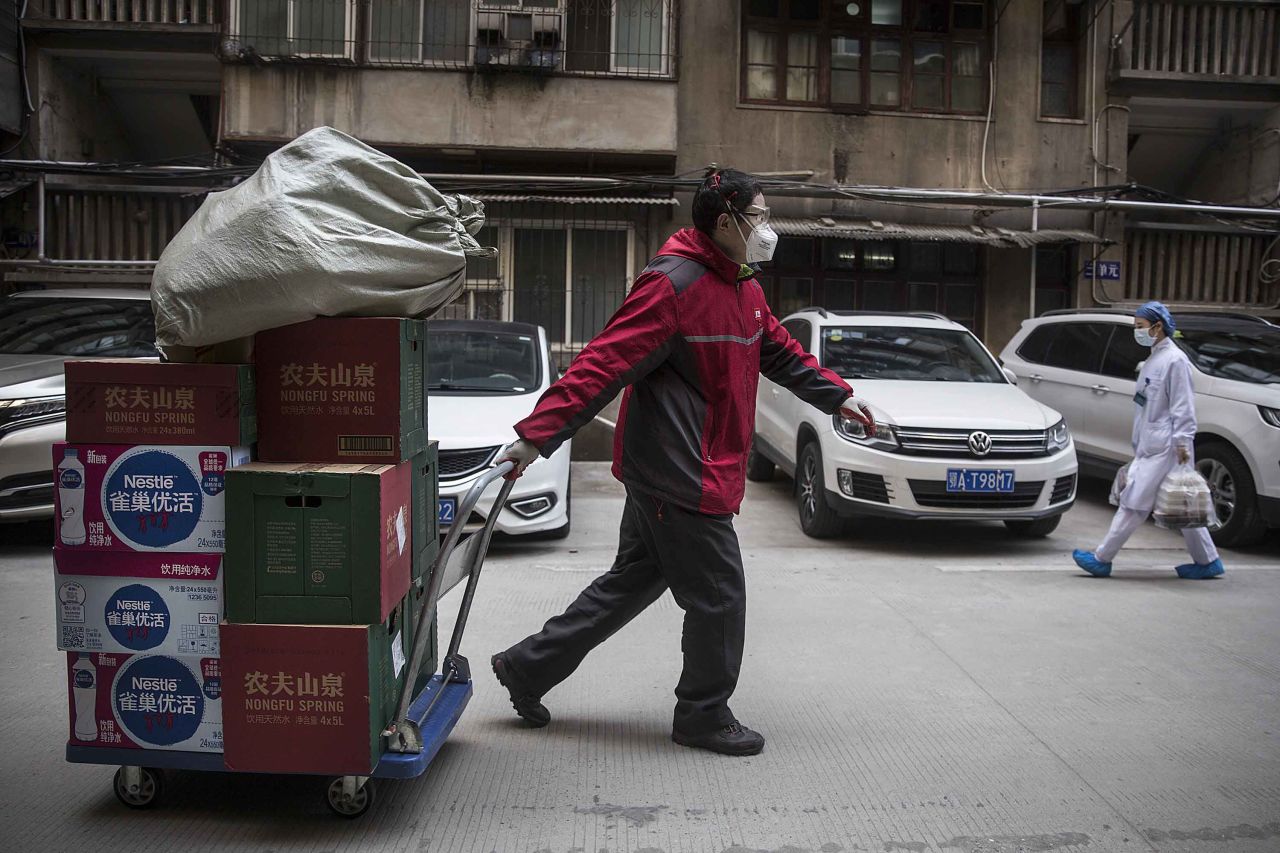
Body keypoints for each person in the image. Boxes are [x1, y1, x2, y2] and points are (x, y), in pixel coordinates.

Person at [489, 168, 876, 756]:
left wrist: (839, 395)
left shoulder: (741, 284)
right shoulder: (673, 286)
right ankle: (702, 715)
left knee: (630, 583)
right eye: (760, 217)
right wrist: (535, 437)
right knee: (719, 596)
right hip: (680, 473)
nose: (767, 228)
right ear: (726, 222)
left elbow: (780, 351)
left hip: (688, 467)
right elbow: (601, 364)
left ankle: (528, 668)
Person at [1073, 301, 1225, 580]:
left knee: (1133, 504)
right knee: (1183, 503)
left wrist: (1182, 444)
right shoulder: (1155, 359)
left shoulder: (1175, 361)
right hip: (1154, 444)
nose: (1137, 332)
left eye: (1141, 327)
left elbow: (1183, 407)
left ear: (1158, 327)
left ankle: (1102, 558)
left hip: (1167, 447)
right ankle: (1208, 561)